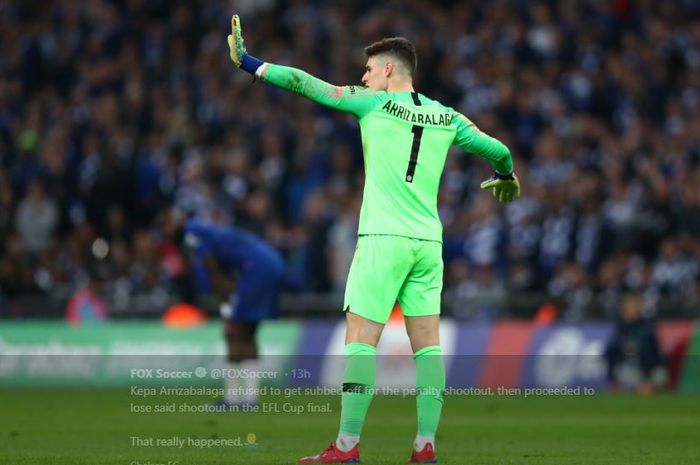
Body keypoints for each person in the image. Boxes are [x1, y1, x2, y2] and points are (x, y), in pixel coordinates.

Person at [227, 15, 520, 463]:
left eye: (368, 69)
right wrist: (505, 177)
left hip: (383, 238)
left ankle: (346, 446)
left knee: (361, 341)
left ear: (388, 70)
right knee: (428, 346)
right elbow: (499, 150)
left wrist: (251, 63)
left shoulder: (372, 103)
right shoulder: (447, 116)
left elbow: (307, 84)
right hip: (428, 244)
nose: (362, 77)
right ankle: (425, 444)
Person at [181, 216, 285, 409]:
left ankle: (234, 399)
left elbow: (216, 276)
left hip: (257, 268)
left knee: (235, 332)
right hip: (271, 262)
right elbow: (227, 275)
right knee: (248, 333)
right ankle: (248, 400)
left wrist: (225, 312)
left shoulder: (193, 233)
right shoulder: (215, 233)